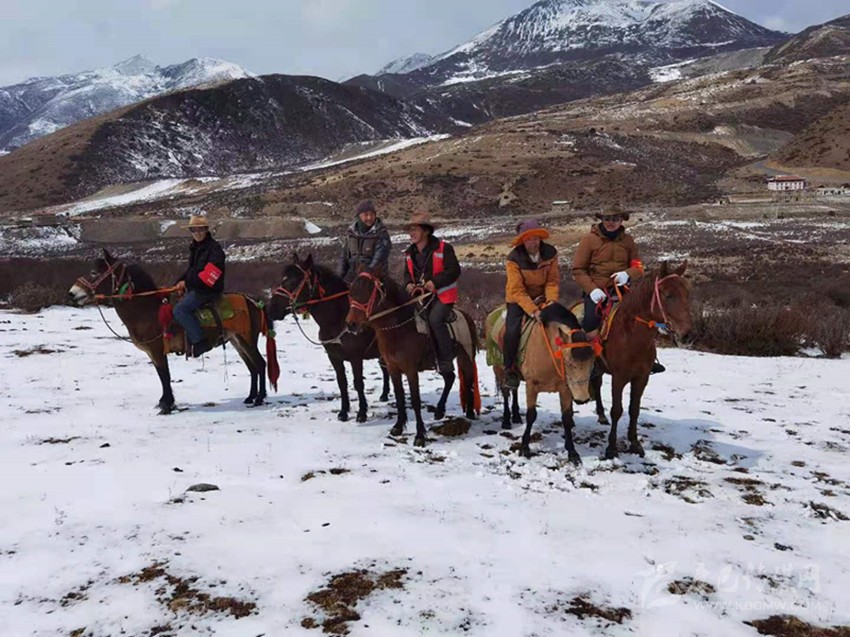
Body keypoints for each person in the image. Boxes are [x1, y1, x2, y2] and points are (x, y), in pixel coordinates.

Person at [572, 205, 664, 374]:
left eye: (615, 219)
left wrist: (627, 274)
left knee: (645, 317)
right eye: (607, 219)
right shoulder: (588, 240)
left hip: (623, 290)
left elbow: (638, 267)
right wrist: (592, 290)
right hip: (597, 291)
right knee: (590, 321)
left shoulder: (628, 241)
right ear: (602, 220)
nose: (611, 222)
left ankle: (648, 357)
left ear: (621, 221)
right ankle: (593, 361)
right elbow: (578, 270)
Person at [502, 219, 560, 389]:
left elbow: (552, 281)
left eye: (536, 238)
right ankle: (510, 369)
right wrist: (533, 311)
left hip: (543, 297)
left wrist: (551, 302)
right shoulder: (513, 258)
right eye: (528, 239)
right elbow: (517, 290)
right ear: (522, 241)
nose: (533, 242)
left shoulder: (551, 253)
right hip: (518, 300)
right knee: (512, 331)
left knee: (564, 323)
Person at [403, 211, 461, 376]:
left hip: (443, 296)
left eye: (415, 229)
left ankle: (445, 360)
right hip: (420, 297)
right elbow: (406, 275)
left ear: (426, 231)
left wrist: (435, 282)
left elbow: (454, 271)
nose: (411, 233)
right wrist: (408, 284)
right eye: (410, 230)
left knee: (435, 320)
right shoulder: (409, 253)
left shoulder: (444, 248)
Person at [173, 215, 226, 358]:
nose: (197, 233)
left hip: (208, 291)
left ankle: (200, 341)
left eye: (200, 229)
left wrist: (187, 283)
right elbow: (191, 272)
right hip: (197, 288)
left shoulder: (214, 249)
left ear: (206, 230)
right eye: (193, 230)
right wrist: (178, 283)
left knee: (180, 310)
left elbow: (210, 276)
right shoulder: (196, 248)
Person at [339, 199, 392, 283]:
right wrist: (339, 277)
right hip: (352, 276)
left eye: (372, 214)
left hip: (373, 277)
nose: (369, 218)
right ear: (359, 216)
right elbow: (344, 258)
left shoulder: (381, 234)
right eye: (366, 214)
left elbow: (379, 259)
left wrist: (365, 275)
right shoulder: (351, 234)